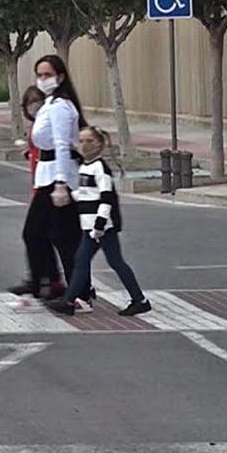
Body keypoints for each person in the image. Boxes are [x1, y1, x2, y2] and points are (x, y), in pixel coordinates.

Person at [48, 126, 151, 317]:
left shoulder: (100, 168)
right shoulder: (86, 166)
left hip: (100, 227)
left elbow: (106, 197)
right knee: (91, 261)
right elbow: (87, 193)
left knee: (107, 262)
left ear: (99, 144)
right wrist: (69, 197)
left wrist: (100, 225)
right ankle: (138, 300)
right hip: (90, 225)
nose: (84, 145)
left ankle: (70, 301)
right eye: (81, 140)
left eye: (89, 141)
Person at [14, 55, 86, 300]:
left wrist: (61, 183)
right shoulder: (50, 105)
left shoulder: (61, 107)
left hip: (58, 176)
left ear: (61, 77)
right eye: (39, 75)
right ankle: (44, 281)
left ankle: (78, 293)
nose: (43, 80)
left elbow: (62, 145)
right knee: (39, 234)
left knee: (63, 238)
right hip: (47, 175)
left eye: (47, 75)